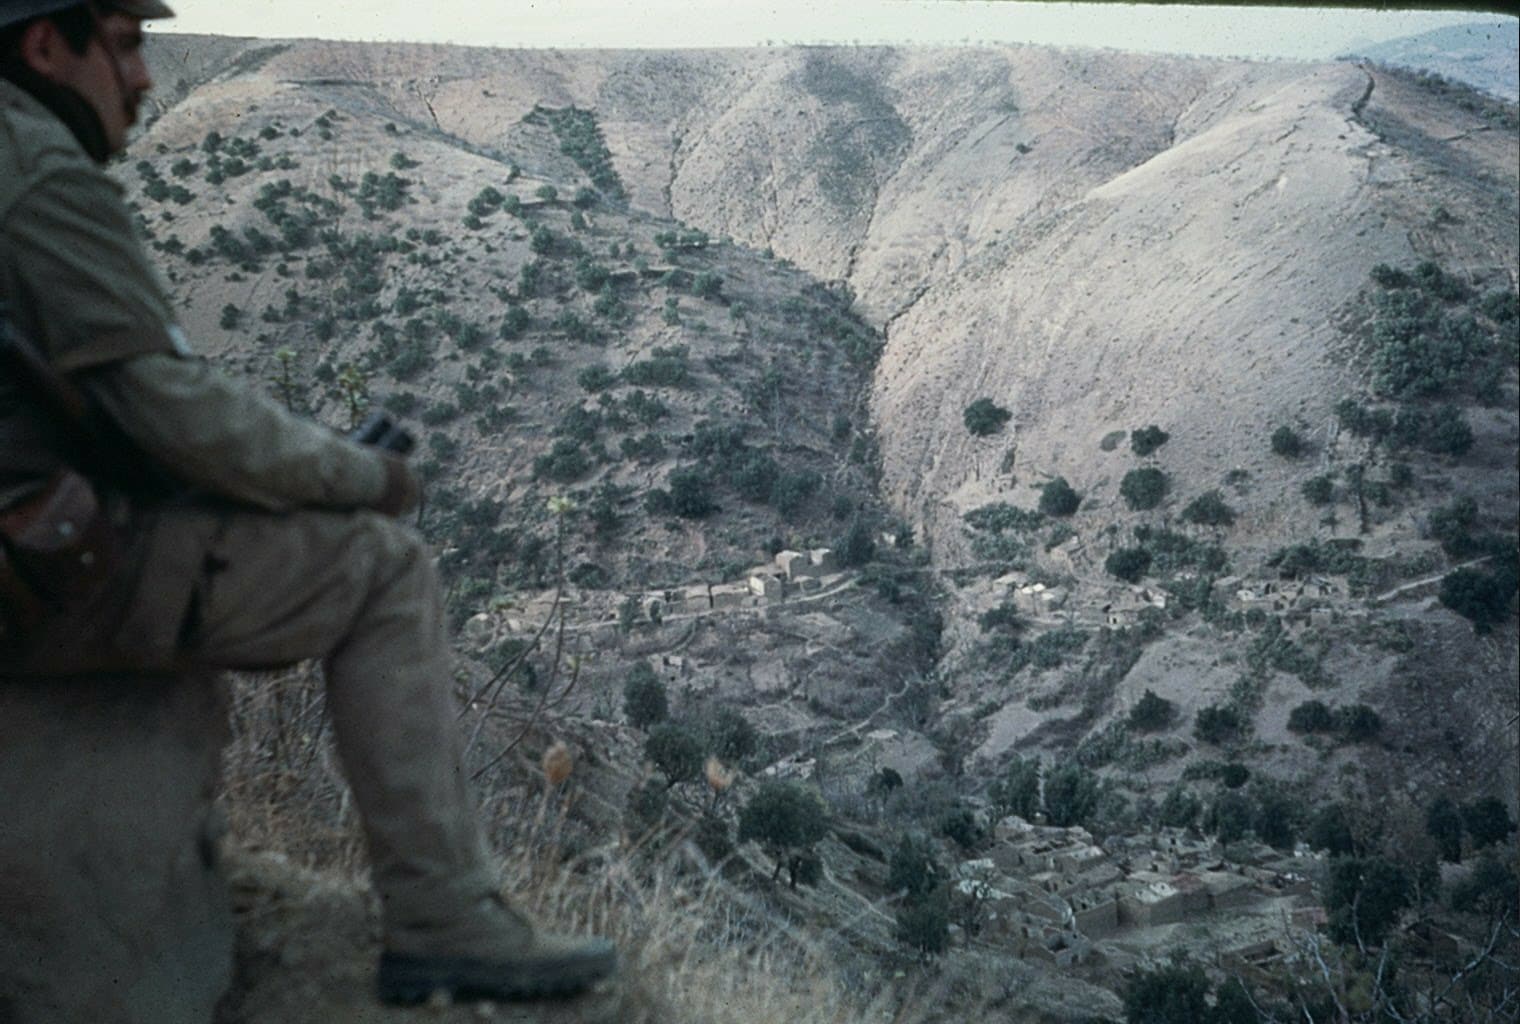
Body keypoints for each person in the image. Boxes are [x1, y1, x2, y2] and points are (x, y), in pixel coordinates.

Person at [0, 0, 615, 1005]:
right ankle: (446, 920)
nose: (146, 78)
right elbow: (170, 410)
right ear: (43, 44)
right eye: (125, 44)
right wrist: (356, 476)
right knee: (382, 568)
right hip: (30, 568)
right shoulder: (39, 176)